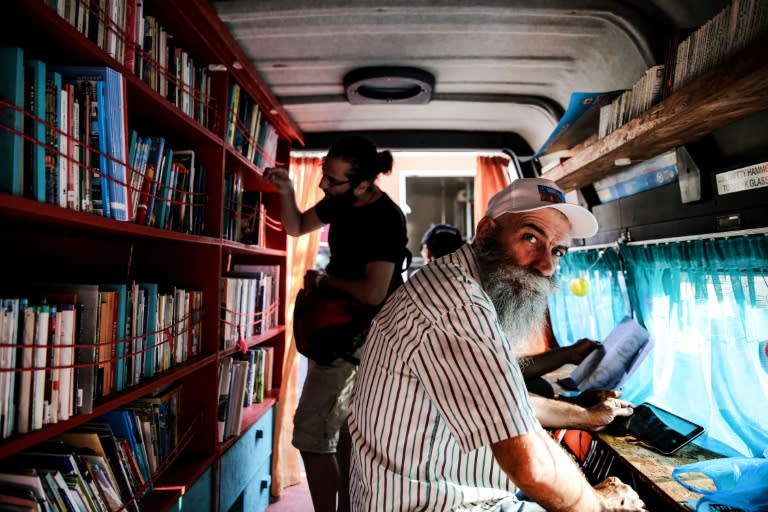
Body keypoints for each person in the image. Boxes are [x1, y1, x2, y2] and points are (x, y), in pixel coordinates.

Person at [349, 177, 645, 511]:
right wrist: (601, 504)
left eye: (556, 250)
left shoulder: (464, 286)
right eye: (530, 237)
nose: (546, 265)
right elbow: (532, 470)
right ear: (487, 230)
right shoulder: (456, 306)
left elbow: (506, 404)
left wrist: (585, 416)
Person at [265, 135, 408, 512]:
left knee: (311, 435)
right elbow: (296, 226)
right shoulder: (341, 201)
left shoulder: (384, 220)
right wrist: (286, 188)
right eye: (323, 174)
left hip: (357, 338)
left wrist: (324, 280)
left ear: (363, 184)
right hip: (336, 331)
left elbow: (374, 293)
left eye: (332, 180)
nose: (323, 185)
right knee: (344, 432)